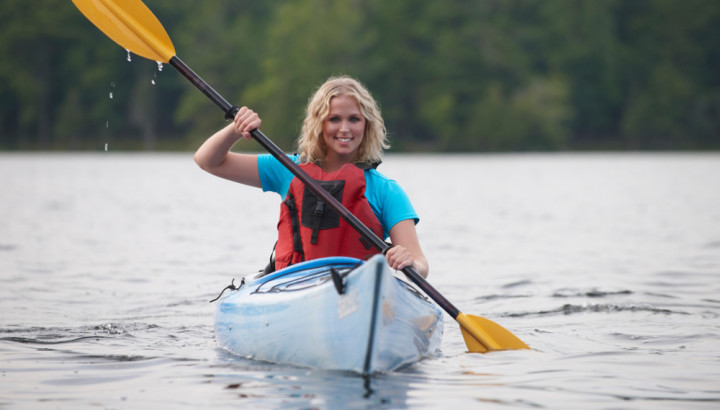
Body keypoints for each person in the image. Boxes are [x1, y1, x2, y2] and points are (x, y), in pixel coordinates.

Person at [194, 76, 429, 277]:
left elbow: (421, 265)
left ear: (367, 125)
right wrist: (236, 130)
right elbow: (207, 161)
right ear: (319, 124)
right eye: (334, 119)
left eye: (354, 119)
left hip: (358, 294)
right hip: (292, 286)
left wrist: (408, 262)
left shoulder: (386, 191)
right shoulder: (288, 168)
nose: (345, 129)